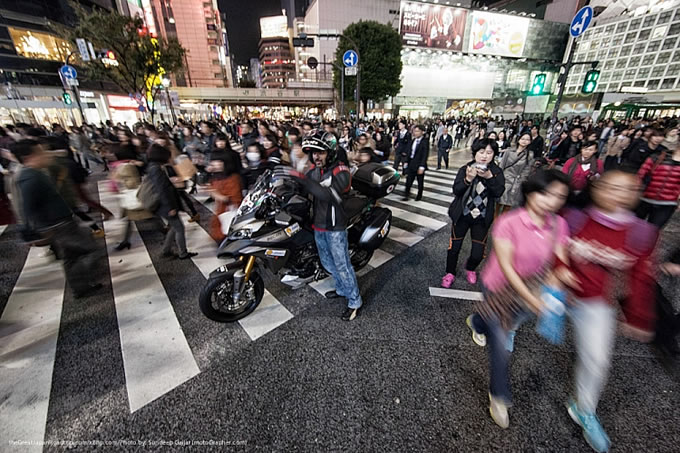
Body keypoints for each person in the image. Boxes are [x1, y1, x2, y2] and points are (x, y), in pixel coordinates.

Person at [557, 169, 659, 453]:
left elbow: (641, 278)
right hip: (556, 292)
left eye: (627, 189)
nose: (618, 194)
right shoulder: (574, 218)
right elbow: (552, 249)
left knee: (597, 360)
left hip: (595, 304)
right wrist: (560, 274)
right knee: (511, 317)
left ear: (636, 195)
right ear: (598, 188)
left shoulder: (642, 233)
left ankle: (583, 408)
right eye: (612, 187)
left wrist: (638, 316)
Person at [465, 169, 571, 429]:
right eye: (547, 194)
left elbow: (560, 259)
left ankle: (477, 321)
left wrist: (562, 278)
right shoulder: (509, 222)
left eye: (560, 196)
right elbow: (508, 269)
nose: (553, 201)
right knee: (500, 343)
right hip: (499, 287)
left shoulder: (559, 224)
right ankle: (499, 396)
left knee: (491, 322)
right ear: (531, 192)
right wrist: (534, 301)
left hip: (534, 289)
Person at [11, 139, 103, 298]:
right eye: (41, 152)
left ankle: (80, 288)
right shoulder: (30, 177)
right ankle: (85, 278)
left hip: (58, 223)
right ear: (29, 157)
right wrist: (30, 229)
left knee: (70, 257)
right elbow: (27, 206)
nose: (45, 155)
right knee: (92, 249)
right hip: (59, 225)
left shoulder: (33, 173)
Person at [287, 132, 364, 321]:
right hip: (318, 225)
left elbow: (328, 194)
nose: (316, 156)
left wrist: (303, 179)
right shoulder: (314, 171)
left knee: (342, 265)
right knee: (327, 263)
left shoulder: (341, 171)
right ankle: (341, 289)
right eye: (313, 152)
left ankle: (354, 301)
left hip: (335, 227)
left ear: (330, 152)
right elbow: (303, 188)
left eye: (320, 152)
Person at [442, 139, 505, 287]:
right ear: (475, 153)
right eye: (481, 152)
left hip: (482, 219)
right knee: (454, 248)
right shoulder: (466, 169)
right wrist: (468, 179)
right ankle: (449, 273)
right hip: (462, 216)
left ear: (494, 155)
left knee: (478, 253)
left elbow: (499, 192)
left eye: (489, 153)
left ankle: (470, 267)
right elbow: (456, 190)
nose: (484, 156)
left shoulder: (496, 172)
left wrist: (489, 178)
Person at [146, 144, 197, 260]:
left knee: (174, 227)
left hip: (165, 205)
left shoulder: (154, 166)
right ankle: (182, 253)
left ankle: (166, 250)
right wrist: (170, 207)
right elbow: (162, 190)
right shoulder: (156, 169)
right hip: (166, 205)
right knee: (179, 228)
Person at [636, 141, 680, 229]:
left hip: (667, 204)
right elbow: (641, 175)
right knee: (632, 227)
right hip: (644, 198)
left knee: (652, 231)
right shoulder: (659, 156)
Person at [207, 151, 243, 242]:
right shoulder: (216, 176)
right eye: (213, 161)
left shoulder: (233, 178)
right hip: (220, 211)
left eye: (218, 161)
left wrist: (216, 194)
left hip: (229, 211)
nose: (214, 164)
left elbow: (234, 198)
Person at [496, 132, 534, 217]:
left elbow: (527, 170)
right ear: (518, 139)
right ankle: (495, 220)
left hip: (516, 181)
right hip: (505, 179)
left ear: (530, 141)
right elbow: (502, 164)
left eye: (527, 139)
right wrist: (498, 178)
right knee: (499, 201)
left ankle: (502, 221)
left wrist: (521, 181)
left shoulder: (529, 154)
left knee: (509, 203)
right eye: (523, 139)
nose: (524, 141)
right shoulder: (509, 151)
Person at [402, 125, 429, 202]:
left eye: (417, 131)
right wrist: (406, 162)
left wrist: (422, 166)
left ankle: (419, 195)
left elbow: (425, 155)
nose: (415, 133)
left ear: (422, 132)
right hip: (411, 164)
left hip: (419, 165)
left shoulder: (425, 142)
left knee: (420, 181)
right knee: (408, 181)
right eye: (414, 131)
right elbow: (409, 152)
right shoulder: (412, 141)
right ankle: (406, 195)